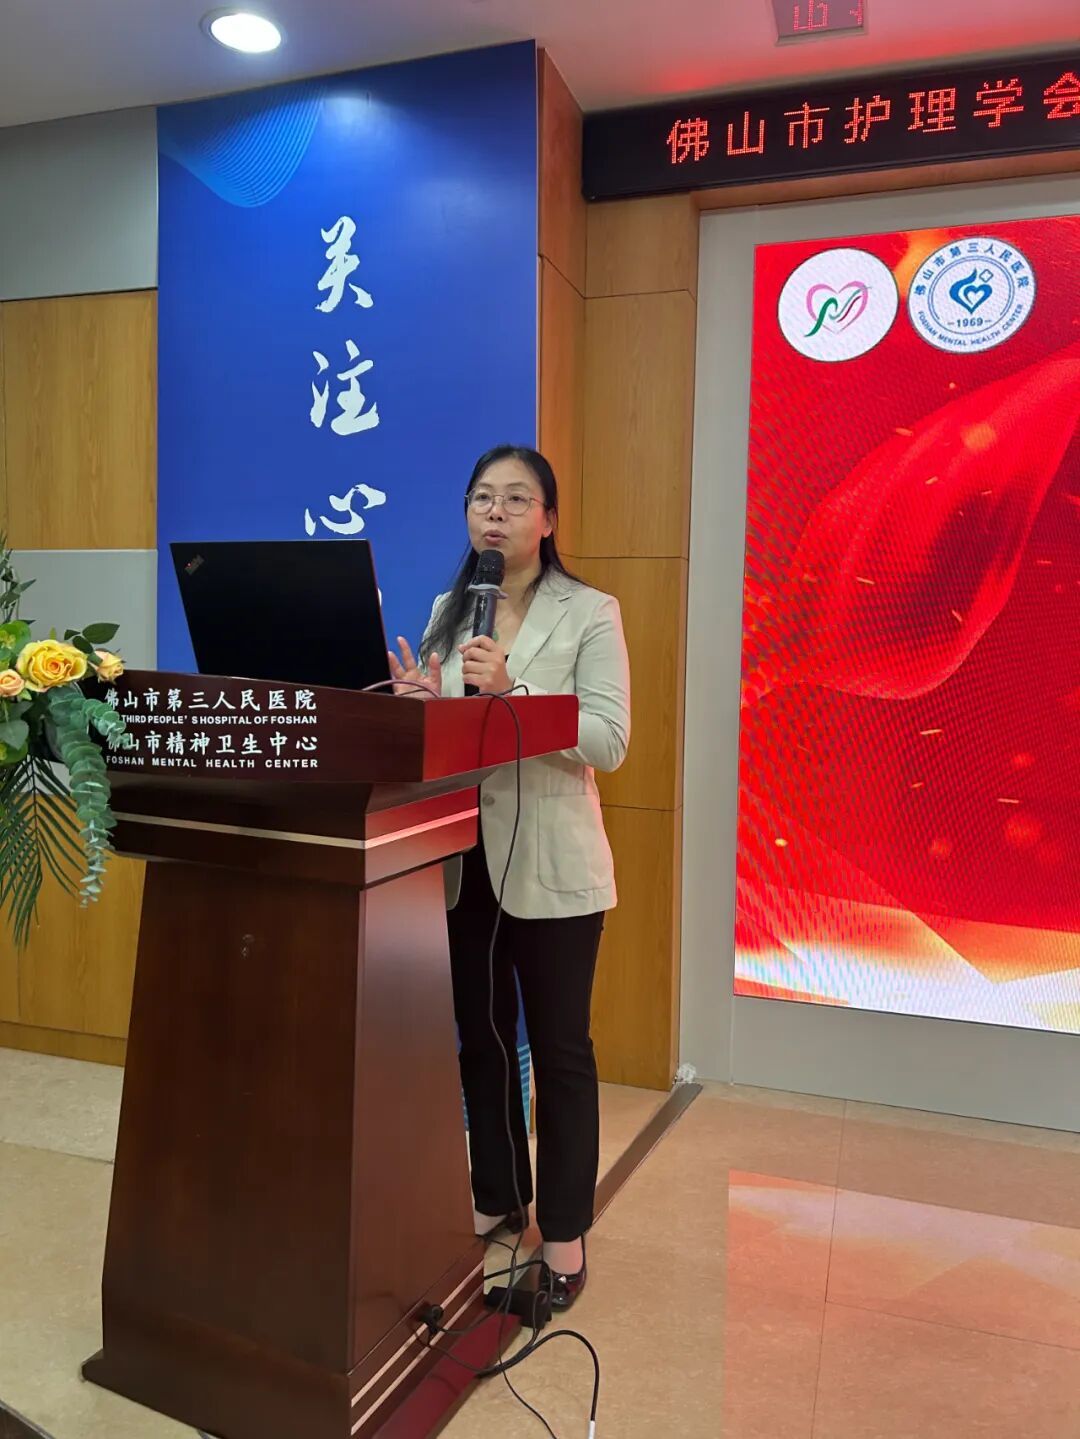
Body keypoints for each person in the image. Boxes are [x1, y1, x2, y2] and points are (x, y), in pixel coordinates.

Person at [388, 444, 630, 1309]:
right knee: (481, 1040)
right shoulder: (452, 610)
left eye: (516, 499)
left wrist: (515, 690)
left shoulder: (591, 611)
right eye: (482, 498)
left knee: (560, 1050)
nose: (496, 512)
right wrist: (425, 711)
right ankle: (496, 1193)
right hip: (468, 864)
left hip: (555, 865)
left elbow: (609, 739)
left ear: (548, 519)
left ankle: (563, 1236)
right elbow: (456, 744)